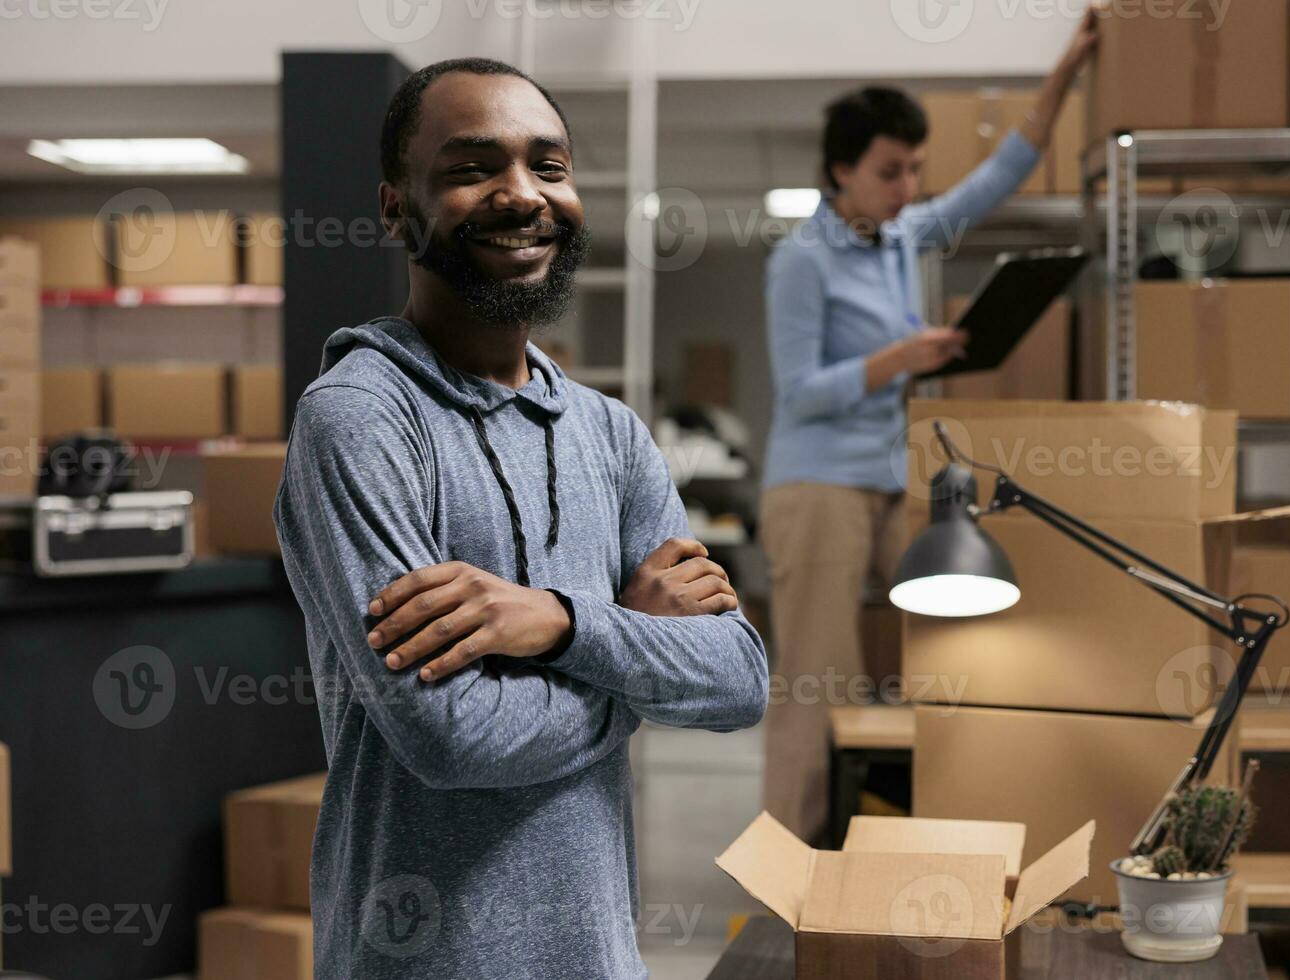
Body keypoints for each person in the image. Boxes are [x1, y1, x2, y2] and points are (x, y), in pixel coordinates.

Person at [273, 58, 768, 979]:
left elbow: (738, 680)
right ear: (395, 209)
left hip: (600, 956)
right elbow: (452, 738)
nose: (522, 194)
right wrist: (635, 653)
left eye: (549, 165)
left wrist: (562, 623)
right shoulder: (358, 419)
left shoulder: (609, 433)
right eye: (470, 169)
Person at [759, 11, 1099, 845]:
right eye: (889, 171)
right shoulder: (802, 260)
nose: (908, 187)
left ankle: (935, 825)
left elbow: (1000, 174)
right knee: (820, 681)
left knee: (958, 636)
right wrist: (899, 360)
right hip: (817, 487)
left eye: (915, 169)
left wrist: (1066, 70)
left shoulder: (905, 236)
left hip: (886, 479)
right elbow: (798, 392)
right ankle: (790, 866)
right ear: (841, 170)